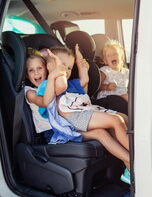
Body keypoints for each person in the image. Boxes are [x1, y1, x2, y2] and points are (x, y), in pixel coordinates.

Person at [39, 45, 131, 184]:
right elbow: (60, 87)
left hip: (83, 113)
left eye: (69, 68)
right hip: (72, 120)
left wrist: (80, 63)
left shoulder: (72, 83)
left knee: (123, 118)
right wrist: (55, 72)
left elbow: (85, 81)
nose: (67, 70)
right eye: (63, 65)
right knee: (116, 120)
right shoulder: (48, 84)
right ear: (50, 65)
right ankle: (138, 160)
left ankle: (130, 167)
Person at [25, 48, 66, 143]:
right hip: (49, 132)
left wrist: (58, 67)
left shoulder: (50, 84)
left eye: (40, 68)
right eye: (31, 70)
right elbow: (45, 102)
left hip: (63, 125)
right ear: (27, 75)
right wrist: (52, 76)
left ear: (46, 69)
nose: (36, 73)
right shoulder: (29, 92)